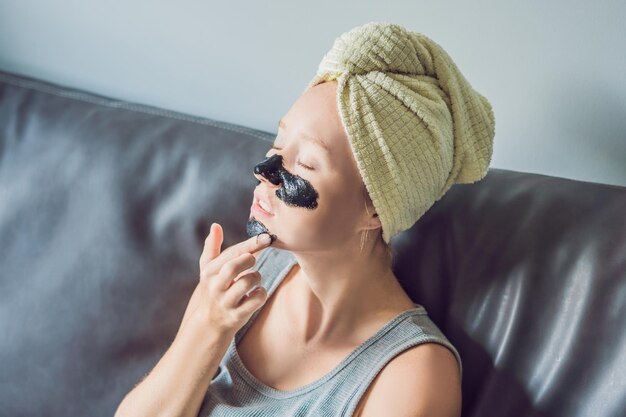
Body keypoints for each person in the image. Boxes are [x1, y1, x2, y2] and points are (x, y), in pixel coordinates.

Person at [115, 21, 494, 417]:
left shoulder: (412, 376)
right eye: (277, 144)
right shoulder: (239, 282)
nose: (265, 169)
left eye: (306, 163)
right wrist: (207, 329)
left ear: (376, 209)